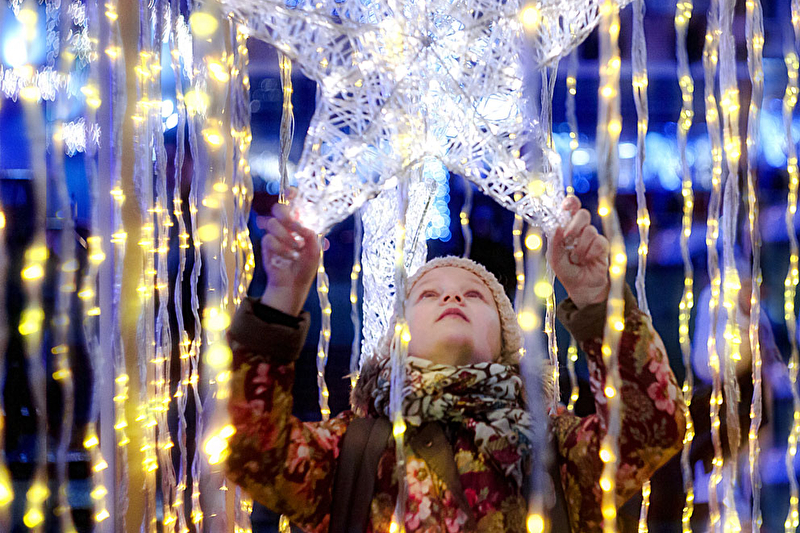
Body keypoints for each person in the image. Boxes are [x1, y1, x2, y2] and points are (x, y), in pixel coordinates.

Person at [226, 195, 686, 532]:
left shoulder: (554, 445)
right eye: (429, 294)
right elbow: (252, 451)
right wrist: (282, 296)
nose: (451, 298)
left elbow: (651, 428)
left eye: (474, 295)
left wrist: (596, 299)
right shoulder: (352, 448)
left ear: (504, 340)